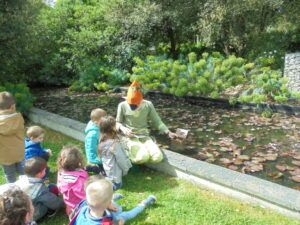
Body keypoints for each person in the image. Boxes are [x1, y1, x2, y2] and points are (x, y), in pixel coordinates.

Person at [116, 79, 177, 164]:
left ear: (142, 101)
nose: (134, 108)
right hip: (130, 136)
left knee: (157, 157)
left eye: (137, 105)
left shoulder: (148, 105)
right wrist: (123, 129)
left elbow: (157, 121)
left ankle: (141, 152)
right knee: (142, 157)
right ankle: (126, 152)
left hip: (145, 135)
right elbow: (117, 122)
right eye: (131, 105)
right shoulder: (122, 105)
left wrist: (168, 132)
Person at [69, 176, 156, 225]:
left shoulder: (82, 210)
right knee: (123, 215)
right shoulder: (105, 223)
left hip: (102, 212)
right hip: (109, 218)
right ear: (109, 203)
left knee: (119, 209)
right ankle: (143, 204)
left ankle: (109, 197)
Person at [15, 157, 64, 221]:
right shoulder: (40, 190)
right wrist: (67, 203)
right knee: (51, 189)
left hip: (16, 213)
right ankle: (50, 212)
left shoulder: (21, 180)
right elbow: (55, 203)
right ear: (39, 173)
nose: (46, 170)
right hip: (29, 217)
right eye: (44, 170)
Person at [98, 116, 132, 190]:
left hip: (108, 167)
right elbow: (121, 159)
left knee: (111, 177)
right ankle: (102, 187)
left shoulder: (102, 138)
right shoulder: (114, 144)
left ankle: (106, 178)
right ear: (112, 128)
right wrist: (125, 169)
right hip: (114, 171)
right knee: (117, 185)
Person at [57, 145, 89, 216]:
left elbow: (60, 187)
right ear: (79, 161)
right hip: (81, 209)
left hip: (69, 206)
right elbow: (85, 197)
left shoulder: (61, 172)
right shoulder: (79, 180)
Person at [0, 91, 25, 183]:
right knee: (24, 173)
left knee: (10, 176)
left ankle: (12, 191)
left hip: (5, 156)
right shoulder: (19, 118)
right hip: (19, 152)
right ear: (13, 106)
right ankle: (26, 188)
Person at [84, 108, 107, 175]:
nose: (106, 122)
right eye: (104, 121)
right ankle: (91, 168)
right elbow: (91, 151)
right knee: (105, 173)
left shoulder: (99, 127)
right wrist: (99, 161)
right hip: (97, 158)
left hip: (102, 153)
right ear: (96, 122)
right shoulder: (92, 135)